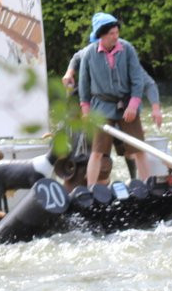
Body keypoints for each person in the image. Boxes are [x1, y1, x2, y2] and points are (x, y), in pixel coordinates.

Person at [63, 43, 163, 180]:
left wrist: (155, 108)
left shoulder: (128, 59)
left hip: (124, 110)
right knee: (98, 153)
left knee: (133, 149)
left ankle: (137, 181)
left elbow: (148, 84)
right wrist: (69, 72)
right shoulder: (90, 53)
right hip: (99, 111)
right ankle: (93, 188)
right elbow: (76, 59)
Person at [78, 12, 151, 186]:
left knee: (139, 149)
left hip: (126, 104)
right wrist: (86, 111)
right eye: (111, 34)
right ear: (101, 35)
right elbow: (84, 85)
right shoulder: (89, 54)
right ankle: (90, 190)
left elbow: (137, 80)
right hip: (101, 107)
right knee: (97, 152)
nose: (115, 37)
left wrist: (133, 105)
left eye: (117, 33)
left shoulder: (127, 49)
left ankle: (147, 184)